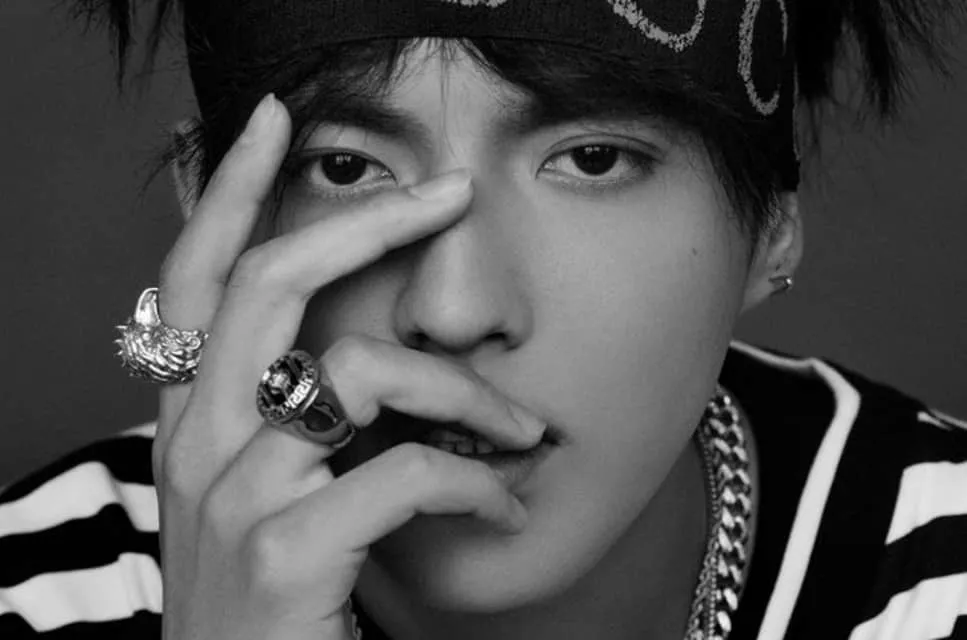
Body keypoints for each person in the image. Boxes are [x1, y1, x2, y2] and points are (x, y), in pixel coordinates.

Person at [1, 0, 966, 639]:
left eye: (591, 160)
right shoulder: (39, 591)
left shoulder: (939, 577)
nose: (454, 311)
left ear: (769, 226)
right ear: (212, 211)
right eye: (346, 167)